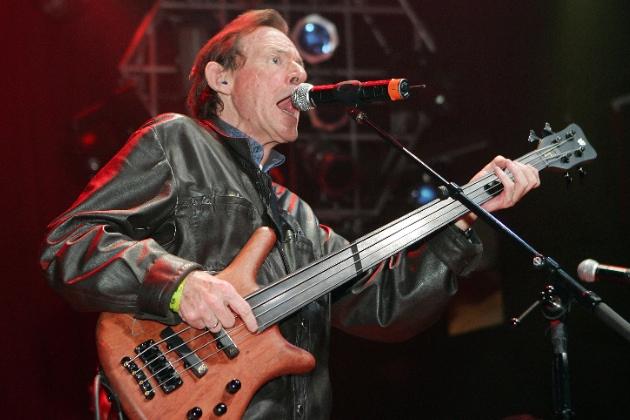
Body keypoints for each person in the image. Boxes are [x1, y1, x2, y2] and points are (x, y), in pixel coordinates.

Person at [40, 9, 539, 419]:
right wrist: (179, 284)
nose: (300, 75)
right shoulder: (178, 142)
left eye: (301, 66)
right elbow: (70, 242)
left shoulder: (297, 217)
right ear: (221, 77)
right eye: (278, 60)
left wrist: (463, 215)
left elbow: (385, 306)